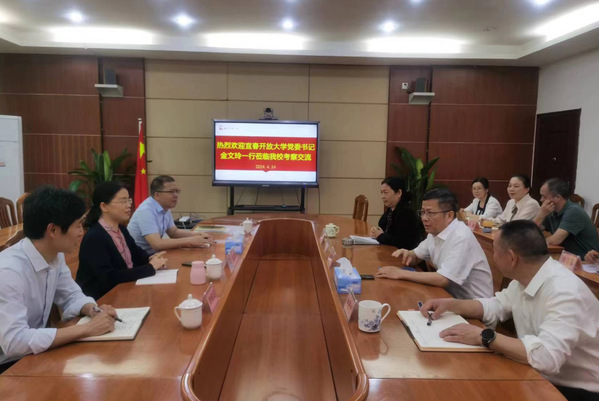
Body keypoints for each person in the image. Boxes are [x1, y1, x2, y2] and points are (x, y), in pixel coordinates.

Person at [420, 220, 599, 401]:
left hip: (577, 391)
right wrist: (451, 304)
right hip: (539, 374)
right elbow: (495, 306)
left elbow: (547, 357)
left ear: (512, 258)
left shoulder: (564, 292)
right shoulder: (526, 277)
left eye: (495, 251)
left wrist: (484, 336)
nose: (493, 257)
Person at [0, 186, 117, 373]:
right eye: (78, 225)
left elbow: (71, 295)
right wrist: (86, 329)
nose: (82, 232)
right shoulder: (8, 271)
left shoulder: (54, 255)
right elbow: (14, 342)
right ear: (53, 230)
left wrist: (93, 310)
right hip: (8, 365)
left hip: (33, 355)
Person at [376, 188, 493, 299]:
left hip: (473, 305)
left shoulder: (461, 237)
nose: (424, 218)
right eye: (422, 212)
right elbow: (416, 255)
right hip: (448, 297)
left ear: (449, 216)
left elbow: (443, 279)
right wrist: (408, 255)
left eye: (430, 213)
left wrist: (401, 273)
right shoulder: (435, 232)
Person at [76, 182, 169, 300]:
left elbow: (137, 255)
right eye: (123, 201)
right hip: (101, 300)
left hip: (125, 291)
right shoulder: (95, 237)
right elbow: (109, 278)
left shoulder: (121, 229)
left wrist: (151, 258)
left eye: (129, 200)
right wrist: (150, 268)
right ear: (104, 206)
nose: (129, 205)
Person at [128, 175, 213, 254]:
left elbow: (174, 232)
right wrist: (190, 241)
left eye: (176, 191)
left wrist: (198, 235)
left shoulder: (164, 207)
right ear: (157, 195)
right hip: (140, 259)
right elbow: (157, 244)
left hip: (154, 255)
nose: (176, 195)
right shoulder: (146, 211)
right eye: (171, 192)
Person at [533, 178, 599, 258]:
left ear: (557, 197)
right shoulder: (551, 211)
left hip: (585, 260)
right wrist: (540, 215)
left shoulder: (574, 211)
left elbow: (555, 240)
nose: (541, 200)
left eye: (544, 197)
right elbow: (529, 232)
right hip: (566, 258)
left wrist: (534, 242)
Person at [369, 177, 420, 249]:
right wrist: (375, 232)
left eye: (386, 193)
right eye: (381, 193)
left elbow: (400, 242)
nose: (382, 197)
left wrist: (380, 236)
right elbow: (382, 227)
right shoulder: (391, 209)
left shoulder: (407, 213)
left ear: (399, 193)